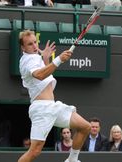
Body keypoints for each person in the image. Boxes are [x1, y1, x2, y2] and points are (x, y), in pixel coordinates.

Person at [18, 30, 91, 162]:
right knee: (34, 152)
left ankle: (72, 160)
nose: (35, 46)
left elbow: (44, 77)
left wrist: (45, 60)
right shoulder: (27, 60)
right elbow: (40, 75)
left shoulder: (36, 58)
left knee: (85, 127)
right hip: (41, 110)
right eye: (30, 44)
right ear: (23, 47)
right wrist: (58, 59)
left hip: (53, 106)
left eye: (35, 42)